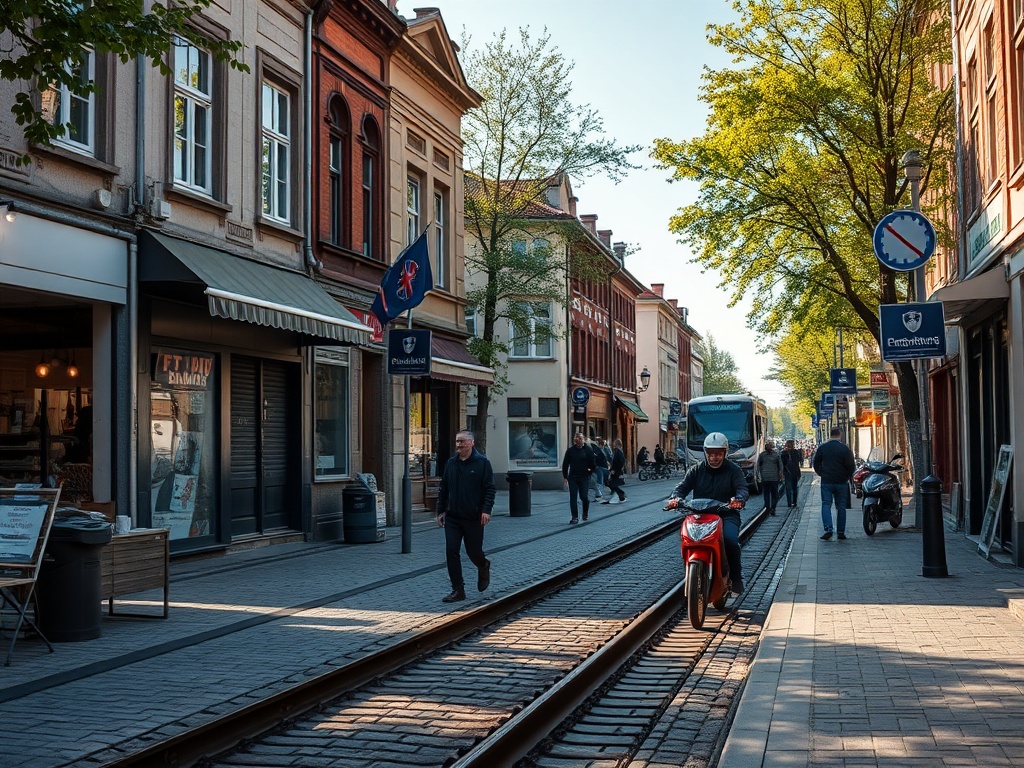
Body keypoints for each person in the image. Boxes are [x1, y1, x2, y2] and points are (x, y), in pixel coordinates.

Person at [669, 431, 750, 593]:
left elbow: (742, 488)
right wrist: (675, 498)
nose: (714, 457)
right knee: (687, 539)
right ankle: (693, 570)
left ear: (725, 453)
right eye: (710, 453)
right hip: (700, 516)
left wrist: (738, 499)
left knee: (730, 541)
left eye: (718, 453)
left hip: (726, 514)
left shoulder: (733, 470)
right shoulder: (696, 470)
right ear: (705, 452)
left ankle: (736, 577)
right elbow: (682, 487)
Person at [436, 430, 496, 602]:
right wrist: (441, 511)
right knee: (451, 551)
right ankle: (458, 590)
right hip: (453, 517)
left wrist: (486, 510)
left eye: (462, 441)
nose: (459, 445)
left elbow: (490, 489)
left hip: (474, 517)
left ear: (471, 443)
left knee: (473, 551)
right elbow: (444, 489)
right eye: (457, 441)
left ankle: (483, 565)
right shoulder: (451, 463)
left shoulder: (482, 463)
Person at [812, 426, 856, 540]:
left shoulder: (823, 448)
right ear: (840, 434)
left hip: (827, 480)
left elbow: (816, 463)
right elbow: (851, 466)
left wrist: (822, 473)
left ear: (830, 435)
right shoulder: (845, 449)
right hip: (841, 481)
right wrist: (847, 476)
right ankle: (841, 532)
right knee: (841, 507)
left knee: (826, 504)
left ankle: (828, 529)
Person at [561, 432, 596, 524]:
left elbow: (593, 464)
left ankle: (585, 513)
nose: (578, 442)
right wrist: (565, 476)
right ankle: (574, 517)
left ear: (583, 440)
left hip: (584, 477)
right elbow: (565, 464)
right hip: (573, 477)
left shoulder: (588, 450)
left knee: (584, 497)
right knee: (573, 497)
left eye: (580, 439)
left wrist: (589, 472)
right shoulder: (570, 451)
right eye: (576, 440)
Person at [755, 440, 783, 515]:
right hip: (774, 478)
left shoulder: (762, 455)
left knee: (766, 493)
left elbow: (758, 466)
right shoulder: (776, 455)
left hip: (765, 478)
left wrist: (759, 476)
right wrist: (781, 476)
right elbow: (781, 467)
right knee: (775, 494)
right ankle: (773, 507)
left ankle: (767, 507)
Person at [781, 438, 803, 508]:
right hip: (795, 472)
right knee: (795, 488)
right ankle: (794, 502)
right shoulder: (796, 452)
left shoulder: (783, 453)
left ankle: (789, 503)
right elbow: (799, 461)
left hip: (787, 472)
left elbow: (782, 463)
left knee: (788, 488)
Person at [604, 438, 627, 504]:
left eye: (615, 444)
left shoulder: (619, 452)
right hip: (615, 470)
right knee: (612, 484)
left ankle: (621, 494)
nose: (614, 445)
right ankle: (620, 496)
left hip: (616, 471)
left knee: (612, 484)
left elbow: (621, 462)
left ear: (617, 445)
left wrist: (615, 470)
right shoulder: (617, 451)